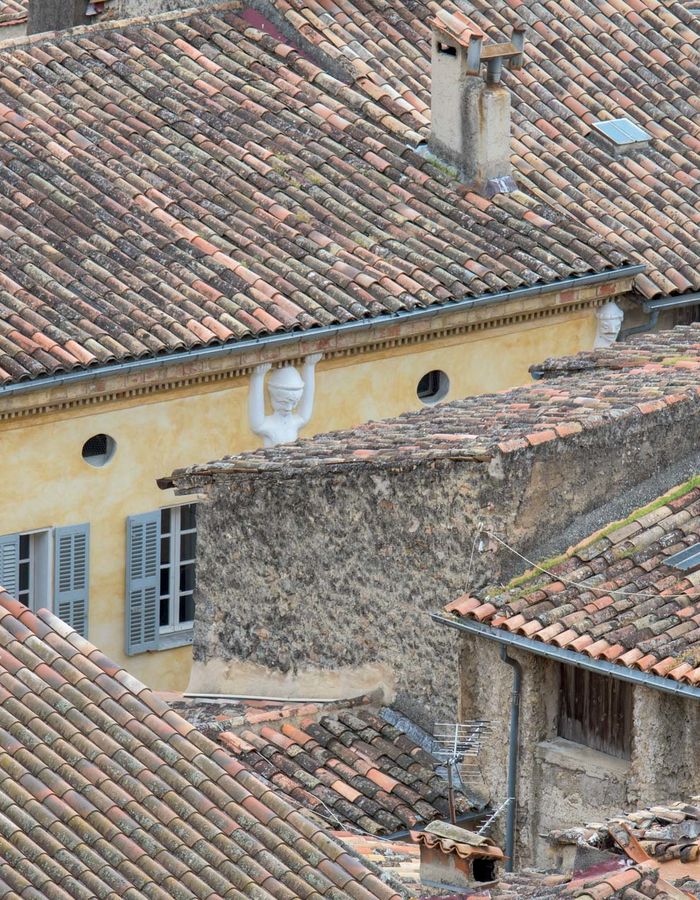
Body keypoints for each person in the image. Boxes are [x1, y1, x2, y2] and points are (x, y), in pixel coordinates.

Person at [248, 353, 322, 447]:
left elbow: (306, 405)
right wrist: (258, 377)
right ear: (272, 397)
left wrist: (309, 367)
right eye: (282, 402)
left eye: (294, 403)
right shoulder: (267, 425)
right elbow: (256, 423)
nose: (289, 408)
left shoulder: (295, 422)